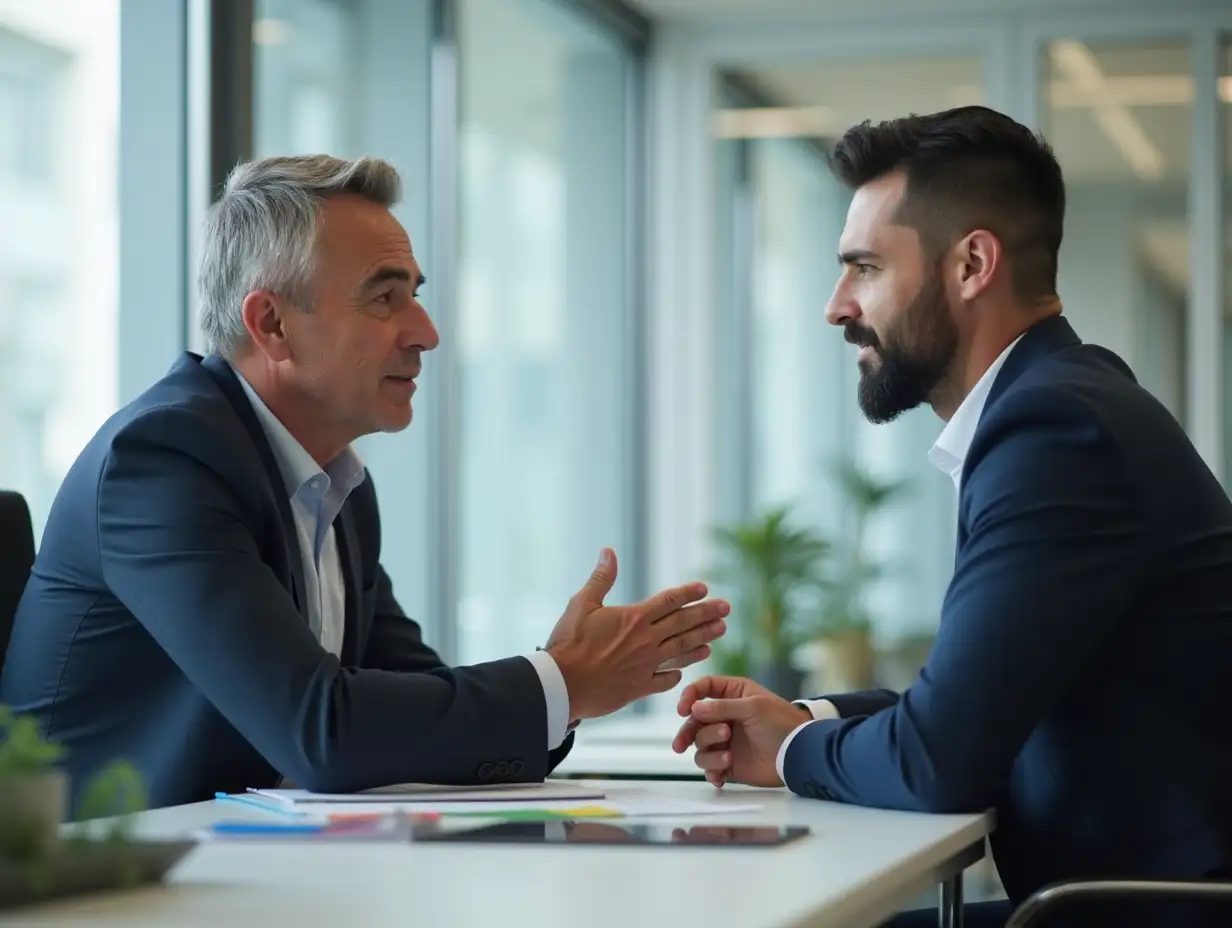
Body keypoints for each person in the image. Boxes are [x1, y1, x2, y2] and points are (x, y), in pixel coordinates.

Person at [0, 154, 728, 812]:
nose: (426, 331)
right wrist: (561, 679)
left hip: (251, 876)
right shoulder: (162, 460)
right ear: (272, 324)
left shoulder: (334, 487)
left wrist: (561, 683)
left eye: (414, 293)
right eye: (385, 298)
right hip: (97, 893)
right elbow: (321, 728)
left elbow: (403, 712)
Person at [672, 106, 1232, 927]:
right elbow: (985, 699)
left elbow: (942, 760)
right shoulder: (1068, 401)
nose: (835, 306)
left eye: (863, 268)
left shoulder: (1055, 432)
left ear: (971, 264)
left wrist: (791, 751)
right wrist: (810, 719)